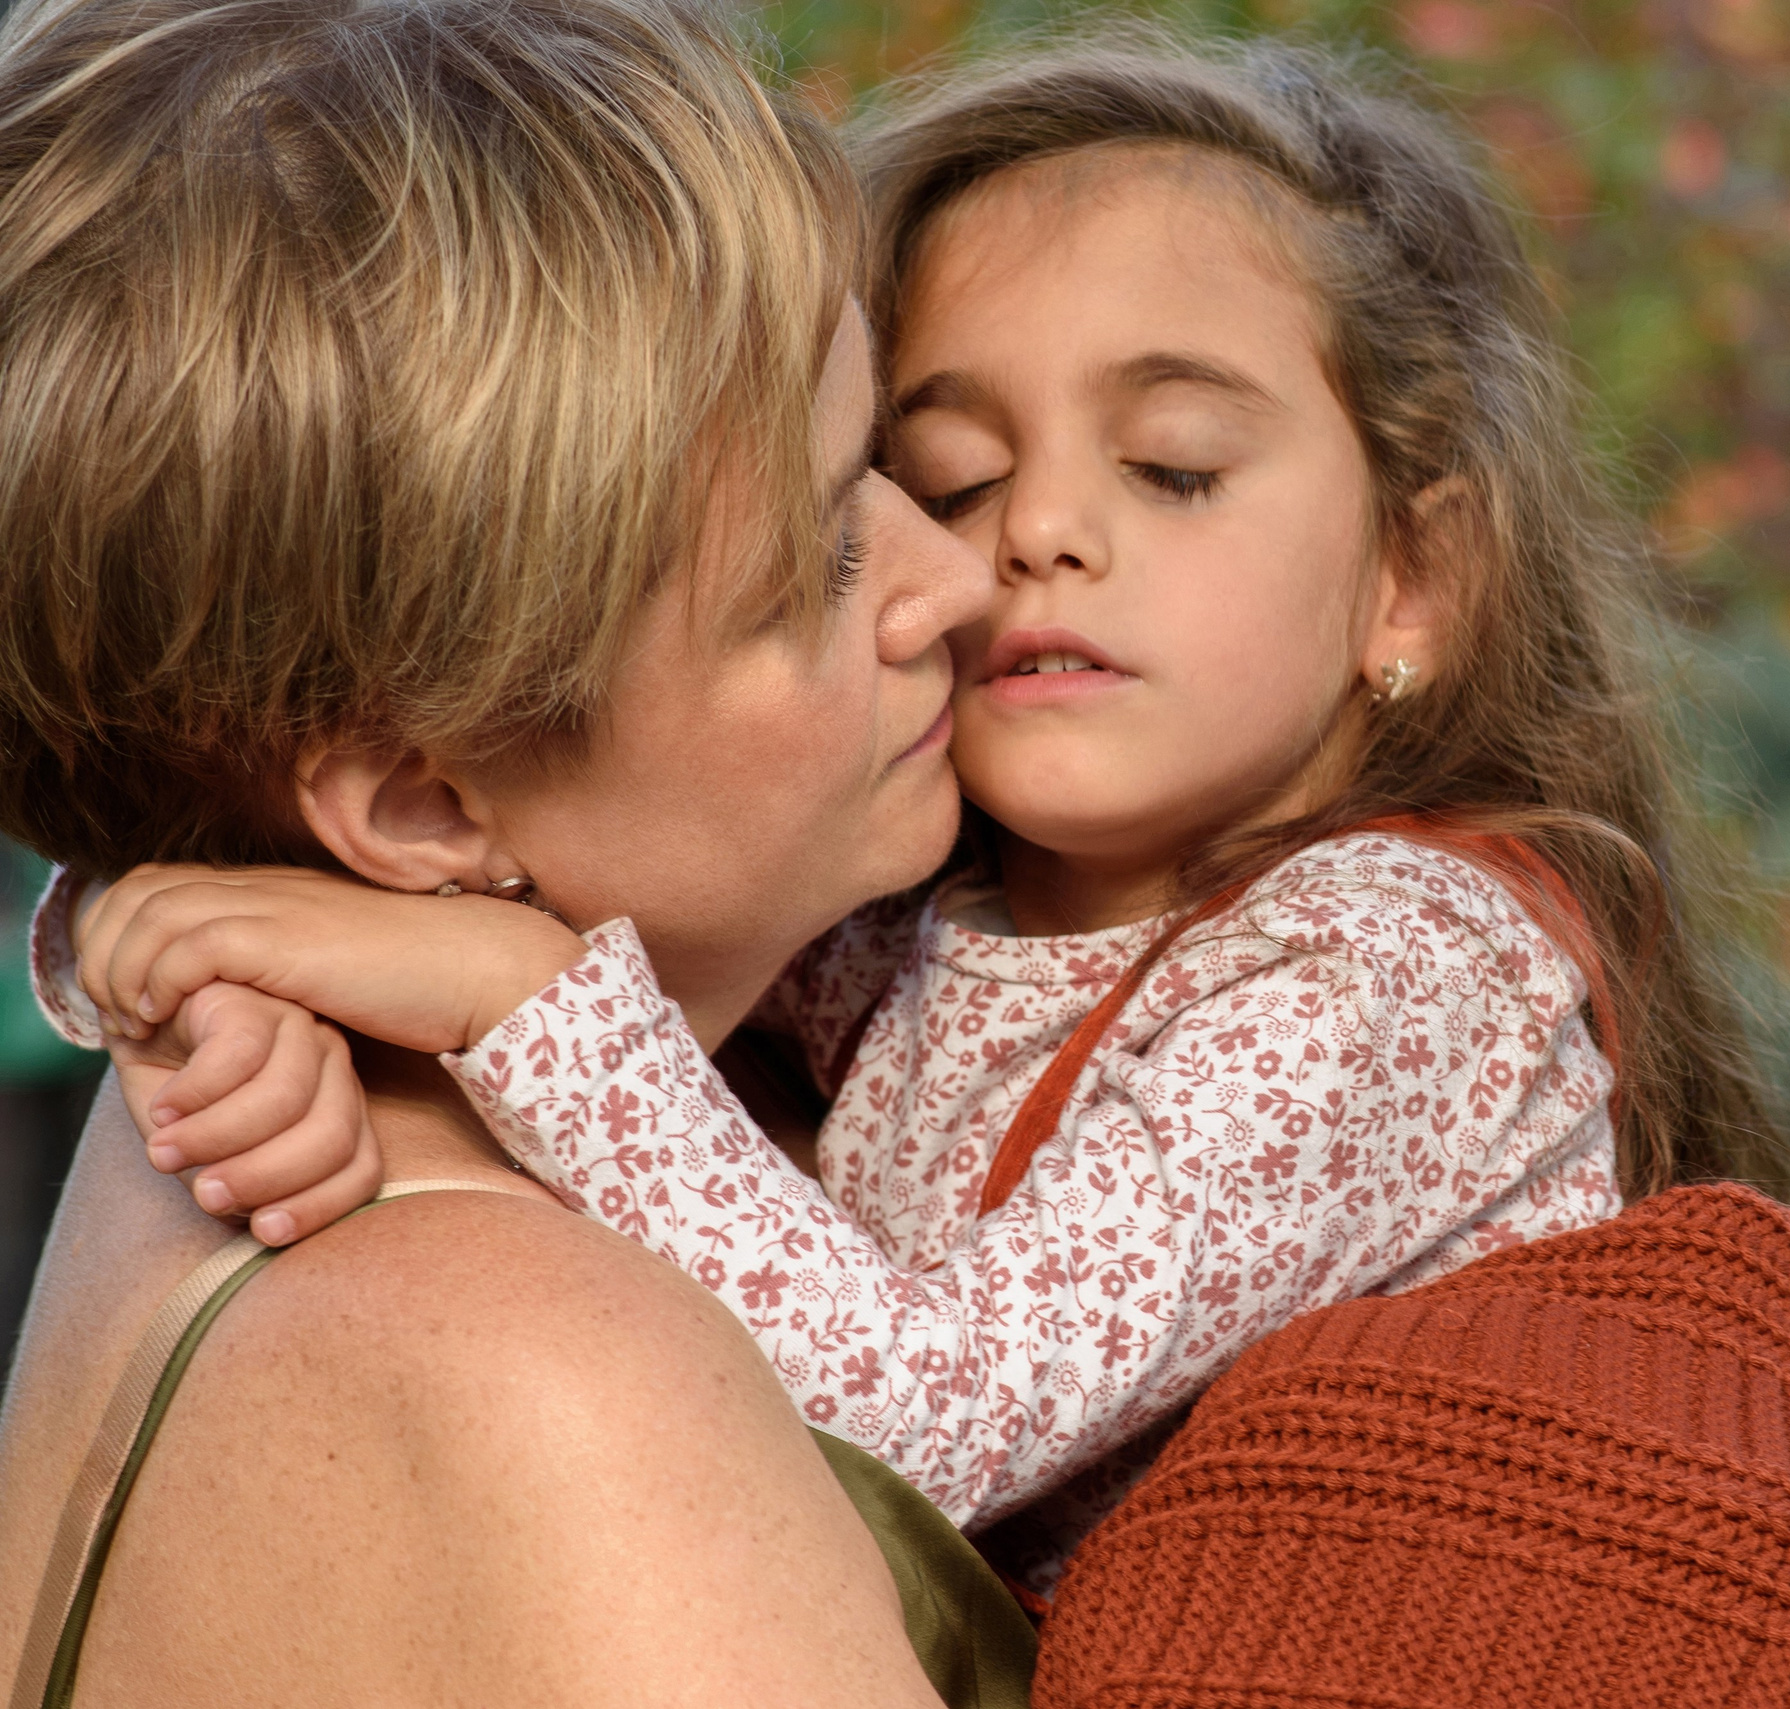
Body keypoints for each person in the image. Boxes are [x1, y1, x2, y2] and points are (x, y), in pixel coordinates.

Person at [55, 30, 1790, 1596]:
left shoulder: (1395, 976)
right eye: (943, 474)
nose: (1012, 543)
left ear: (1413, 579)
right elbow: (240, 821)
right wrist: (213, 978)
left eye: (1173, 468)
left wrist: (503, 990)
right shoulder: (948, 915)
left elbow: (931, 1416)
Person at [0, 0, 1032, 1701]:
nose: (957, 578)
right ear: (426, 808)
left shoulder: (225, 1083)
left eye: (893, 467)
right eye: (818, 566)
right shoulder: (559, 1379)